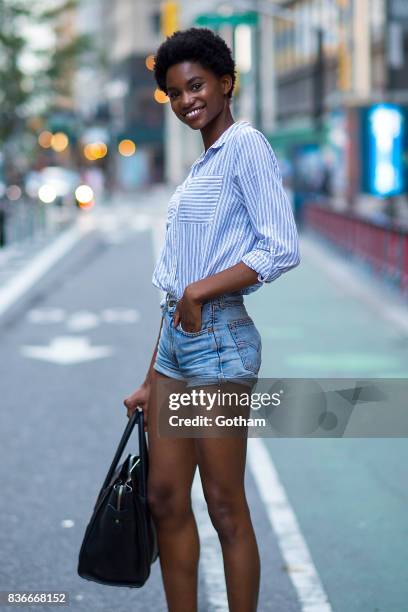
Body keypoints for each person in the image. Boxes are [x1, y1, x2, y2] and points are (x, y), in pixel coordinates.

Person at [124, 27, 300, 612]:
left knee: (224, 505)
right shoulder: (203, 168)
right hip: (178, 345)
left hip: (220, 343)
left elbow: (281, 246)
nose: (185, 101)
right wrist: (151, 376)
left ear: (226, 83)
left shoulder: (246, 146)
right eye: (174, 93)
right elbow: (173, 290)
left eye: (196, 85)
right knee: (166, 498)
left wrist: (203, 289)